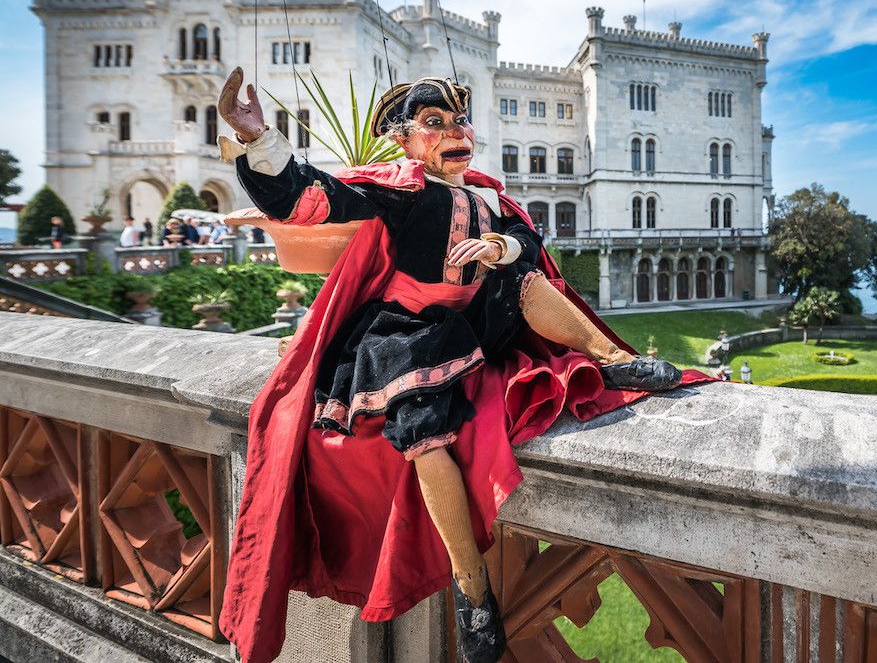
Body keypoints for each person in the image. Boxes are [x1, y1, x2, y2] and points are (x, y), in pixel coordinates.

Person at [214, 68, 701, 663]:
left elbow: (527, 232)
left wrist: (500, 248)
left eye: (458, 121)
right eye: (435, 123)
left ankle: (615, 361)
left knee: (526, 278)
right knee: (426, 438)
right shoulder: (398, 192)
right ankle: (473, 590)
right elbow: (309, 198)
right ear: (405, 140)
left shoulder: (491, 195)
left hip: (475, 320)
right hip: (410, 333)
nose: (454, 131)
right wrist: (258, 138)